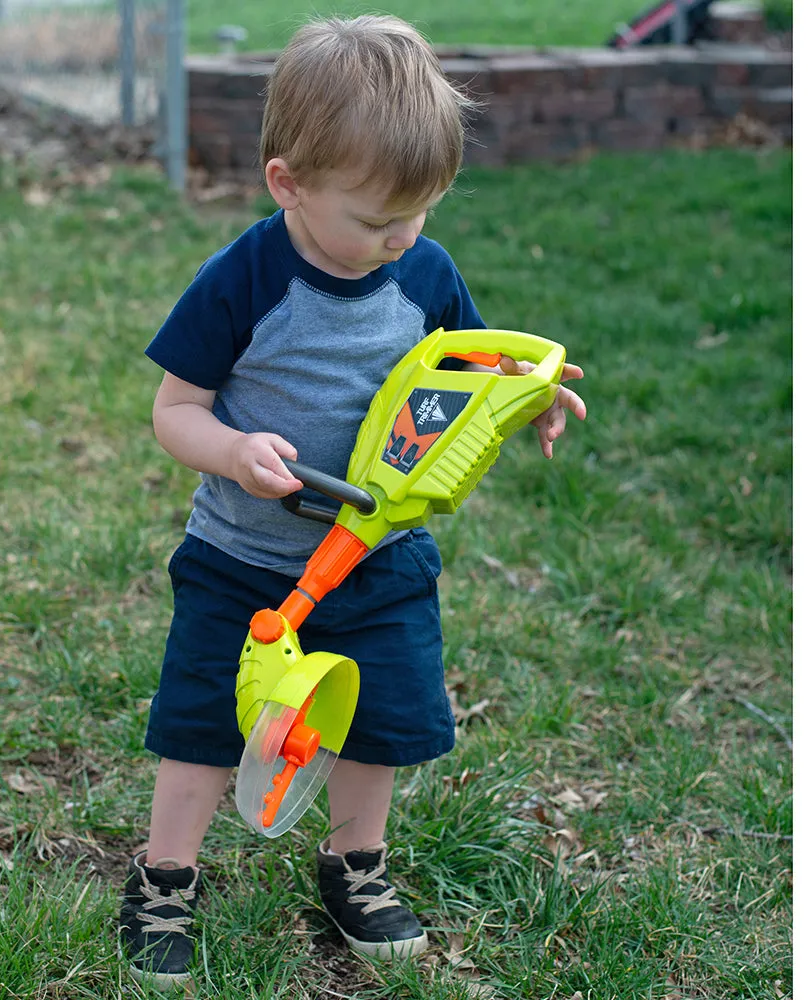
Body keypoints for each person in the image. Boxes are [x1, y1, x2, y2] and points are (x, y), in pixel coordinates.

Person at [118, 13, 587, 990]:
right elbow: (174, 412)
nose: (398, 239)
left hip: (379, 559)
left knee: (379, 720)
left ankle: (353, 862)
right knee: (204, 722)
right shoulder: (245, 278)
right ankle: (166, 875)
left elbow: (465, 379)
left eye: (416, 214)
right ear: (286, 183)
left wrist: (528, 401)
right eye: (374, 220)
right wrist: (235, 450)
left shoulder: (425, 274)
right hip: (244, 559)